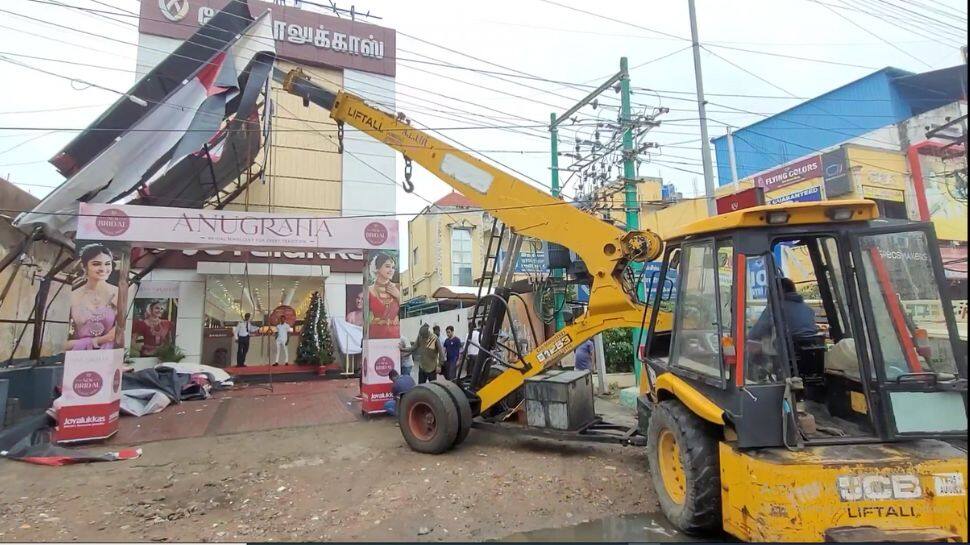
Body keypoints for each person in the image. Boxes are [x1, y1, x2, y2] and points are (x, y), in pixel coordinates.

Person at [66, 244, 119, 351]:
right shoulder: (73, 295)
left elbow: (118, 334)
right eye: (96, 264)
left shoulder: (119, 293)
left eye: (107, 264)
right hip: (78, 355)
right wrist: (98, 341)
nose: (103, 269)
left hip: (108, 356)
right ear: (84, 266)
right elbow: (62, 341)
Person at [749, 278, 819, 341]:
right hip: (809, 351)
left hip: (786, 351)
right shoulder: (808, 309)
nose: (769, 294)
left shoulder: (774, 309)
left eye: (771, 291)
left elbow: (755, 334)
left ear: (779, 291)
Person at [367, 253, 401, 338]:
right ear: (377, 268)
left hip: (395, 336)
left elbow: (405, 312)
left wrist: (398, 296)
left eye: (393, 267)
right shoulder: (369, 290)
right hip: (375, 336)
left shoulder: (397, 288)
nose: (391, 270)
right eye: (387, 266)